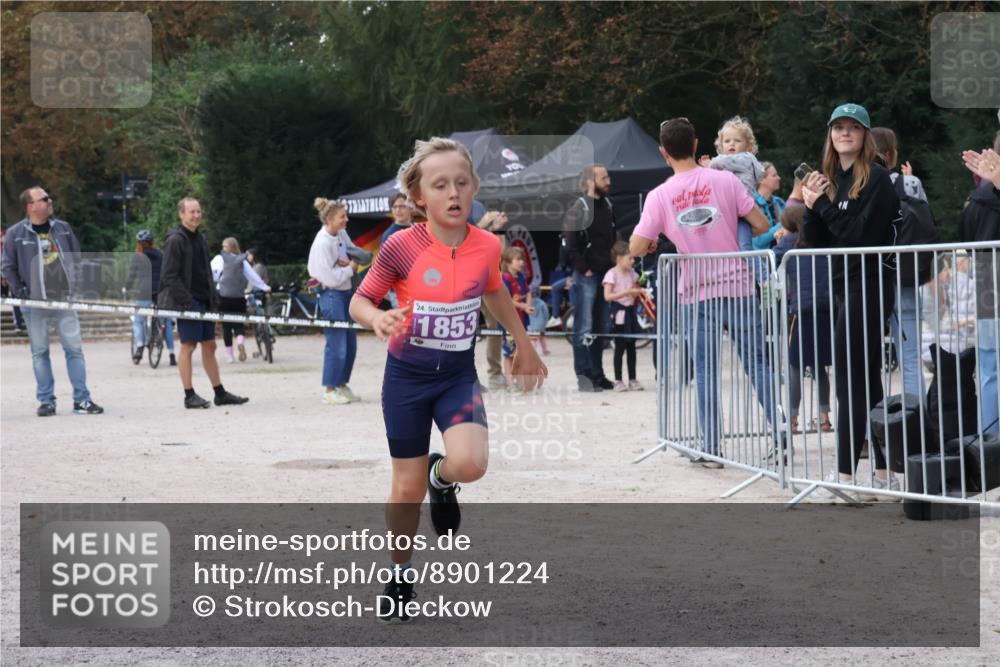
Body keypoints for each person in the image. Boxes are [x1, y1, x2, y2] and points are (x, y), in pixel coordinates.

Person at [349, 137, 547, 621]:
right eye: (440, 185)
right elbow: (360, 300)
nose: (453, 193)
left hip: (457, 375)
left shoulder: (488, 244)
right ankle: (399, 574)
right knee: (405, 489)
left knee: (472, 464)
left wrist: (523, 343)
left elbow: (494, 292)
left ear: (474, 187)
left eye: (462, 182)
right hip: (407, 379)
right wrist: (376, 318)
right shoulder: (401, 245)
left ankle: (442, 477)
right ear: (420, 197)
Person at [630, 118, 774, 467]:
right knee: (757, 365)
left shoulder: (660, 195)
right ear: (696, 145)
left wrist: (656, 240)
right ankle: (782, 437)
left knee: (706, 371)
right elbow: (761, 224)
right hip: (739, 285)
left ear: (663, 152)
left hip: (696, 292)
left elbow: (635, 246)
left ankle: (712, 448)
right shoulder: (725, 180)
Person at [801, 103, 900, 498]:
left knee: (850, 379)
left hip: (870, 284)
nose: (844, 133)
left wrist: (823, 206)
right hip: (844, 286)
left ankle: (844, 476)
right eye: (838, 127)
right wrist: (811, 205)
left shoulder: (877, 178)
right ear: (830, 135)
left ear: (865, 135)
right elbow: (817, 242)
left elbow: (860, 234)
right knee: (867, 379)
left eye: (853, 128)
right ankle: (883, 472)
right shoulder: (833, 180)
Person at [1, 185, 104, 416]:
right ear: (31, 206)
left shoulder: (63, 228)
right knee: (40, 353)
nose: (50, 201)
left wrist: (75, 286)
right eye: (44, 199)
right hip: (34, 305)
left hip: (64, 301)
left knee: (74, 350)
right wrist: (20, 291)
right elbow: (7, 266)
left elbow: (76, 258)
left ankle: (82, 400)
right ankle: (46, 401)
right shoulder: (15, 234)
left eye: (49, 198)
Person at [158, 197, 249, 409]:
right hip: (188, 302)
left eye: (198, 211)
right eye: (192, 212)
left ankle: (220, 393)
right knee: (188, 346)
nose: (196, 215)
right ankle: (189, 395)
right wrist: (187, 301)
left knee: (210, 345)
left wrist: (213, 300)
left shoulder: (201, 239)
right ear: (181, 214)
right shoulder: (175, 240)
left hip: (205, 300)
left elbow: (206, 272)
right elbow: (169, 276)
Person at [871, 126, 929, 402]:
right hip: (905, 274)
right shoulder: (911, 184)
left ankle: (870, 422)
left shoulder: (859, 182)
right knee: (911, 356)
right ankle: (916, 420)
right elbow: (926, 222)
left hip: (870, 277)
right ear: (892, 154)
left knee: (865, 358)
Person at [779, 206, 833, 433]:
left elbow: (772, 259)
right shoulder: (824, 238)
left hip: (801, 310)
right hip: (827, 306)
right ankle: (824, 417)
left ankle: (792, 419)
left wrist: (780, 239)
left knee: (795, 365)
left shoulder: (789, 242)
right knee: (819, 365)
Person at [564, 164, 618, 392]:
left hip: (605, 275)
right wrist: (584, 269)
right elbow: (569, 244)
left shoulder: (607, 205)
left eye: (608, 177)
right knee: (584, 326)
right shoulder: (579, 208)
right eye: (604, 178)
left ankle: (598, 374)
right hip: (587, 275)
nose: (608, 181)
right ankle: (584, 377)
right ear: (589, 182)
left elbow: (613, 237)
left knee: (600, 326)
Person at [959, 145, 1000, 432]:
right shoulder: (980, 199)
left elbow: (965, 237)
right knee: (988, 363)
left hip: (986, 271)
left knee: (988, 365)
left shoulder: (976, 200)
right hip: (988, 273)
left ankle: (991, 438)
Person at [308, 198, 360, 405]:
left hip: (346, 292)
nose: (346, 220)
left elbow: (351, 250)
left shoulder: (340, 233)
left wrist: (350, 260)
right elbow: (328, 278)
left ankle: (341, 384)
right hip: (331, 294)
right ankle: (329, 389)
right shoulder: (322, 242)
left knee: (350, 343)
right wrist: (351, 268)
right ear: (329, 220)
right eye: (342, 217)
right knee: (337, 343)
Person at [698, 116, 765, 252]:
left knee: (744, 247)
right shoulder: (726, 166)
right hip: (728, 211)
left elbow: (724, 162)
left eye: (737, 140)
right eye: (727, 141)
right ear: (721, 146)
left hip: (742, 211)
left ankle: (758, 267)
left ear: (748, 146)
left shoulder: (745, 158)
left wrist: (710, 164)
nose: (732, 144)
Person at [211, 237, 270, 363]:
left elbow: (211, 273)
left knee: (226, 326)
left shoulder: (219, 258)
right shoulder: (242, 260)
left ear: (226, 248)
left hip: (223, 296)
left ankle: (230, 356)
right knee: (239, 322)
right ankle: (240, 341)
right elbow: (253, 277)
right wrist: (265, 287)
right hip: (238, 296)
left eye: (224, 246)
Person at [127, 229, 176, 366]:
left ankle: (140, 346)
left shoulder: (138, 256)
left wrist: (127, 287)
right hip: (160, 292)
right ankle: (172, 354)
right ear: (152, 242)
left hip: (144, 292)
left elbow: (132, 275)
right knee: (165, 322)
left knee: (138, 321)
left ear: (139, 243)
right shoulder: (160, 255)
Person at [603, 241, 644, 392]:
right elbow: (607, 296)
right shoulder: (611, 274)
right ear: (619, 258)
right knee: (619, 348)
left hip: (631, 314)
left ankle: (633, 379)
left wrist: (638, 292)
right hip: (619, 315)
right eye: (630, 258)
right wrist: (627, 292)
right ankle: (618, 380)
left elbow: (635, 291)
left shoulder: (633, 274)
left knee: (632, 348)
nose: (633, 261)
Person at [476, 210, 510, 390]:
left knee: (495, 328)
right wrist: (482, 225)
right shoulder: (460, 210)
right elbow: (462, 241)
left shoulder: (491, 234)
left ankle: (495, 374)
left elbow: (501, 254)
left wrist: (499, 229)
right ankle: (463, 377)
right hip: (467, 283)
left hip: (490, 284)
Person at [500, 246, 536, 385]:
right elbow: (506, 300)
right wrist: (524, 306)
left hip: (521, 322)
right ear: (508, 262)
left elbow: (528, 292)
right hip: (509, 323)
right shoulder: (505, 278)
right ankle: (510, 383)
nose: (521, 262)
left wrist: (528, 305)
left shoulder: (521, 277)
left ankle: (519, 381)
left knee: (520, 352)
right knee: (509, 353)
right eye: (518, 259)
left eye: (522, 259)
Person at [379, 193, 414, 309]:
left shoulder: (416, 229)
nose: (398, 210)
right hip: (399, 291)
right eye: (395, 207)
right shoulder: (389, 235)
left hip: (419, 287)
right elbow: (383, 266)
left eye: (402, 206)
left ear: (410, 207)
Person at [751, 162, 787, 250]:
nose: (779, 178)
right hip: (760, 257)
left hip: (781, 254)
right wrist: (784, 224)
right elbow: (758, 241)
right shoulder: (752, 204)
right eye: (774, 175)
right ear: (761, 180)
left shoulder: (780, 202)